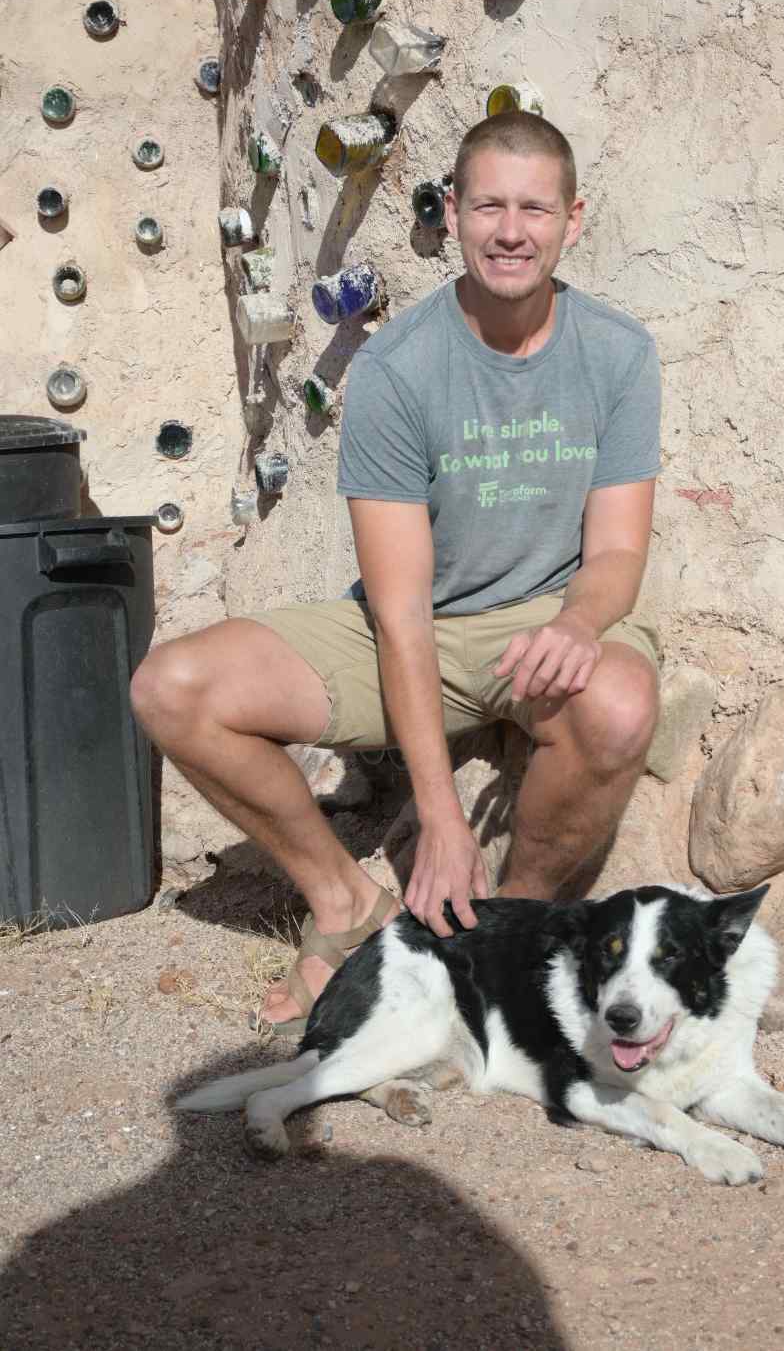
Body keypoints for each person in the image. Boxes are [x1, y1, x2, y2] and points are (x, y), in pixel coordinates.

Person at [130, 111, 662, 1034]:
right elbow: (402, 610)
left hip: (544, 623)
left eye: (534, 208)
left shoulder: (618, 354)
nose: (510, 230)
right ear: (453, 212)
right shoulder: (397, 368)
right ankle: (344, 906)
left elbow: (617, 554)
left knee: (618, 703)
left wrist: (577, 627)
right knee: (171, 687)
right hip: (407, 627)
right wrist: (440, 815)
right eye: (489, 204)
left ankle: (502, 927)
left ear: (573, 222)